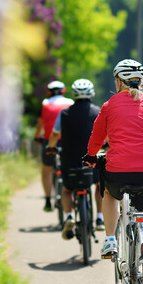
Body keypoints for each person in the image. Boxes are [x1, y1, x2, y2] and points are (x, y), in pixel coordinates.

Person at [82, 59, 143, 284]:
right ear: (141, 82)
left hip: (118, 170)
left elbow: (97, 135)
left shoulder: (109, 105)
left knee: (109, 193)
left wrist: (90, 157)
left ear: (118, 81)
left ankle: (110, 239)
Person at [45, 79, 105, 239]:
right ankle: (100, 218)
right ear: (91, 94)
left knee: (67, 189)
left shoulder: (64, 113)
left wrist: (50, 147)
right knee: (99, 185)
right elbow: (105, 133)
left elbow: (55, 134)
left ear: (74, 95)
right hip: (92, 159)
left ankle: (68, 216)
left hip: (70, 159)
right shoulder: (97, 111)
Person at [34, 80, 74, 212]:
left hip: (50, 140)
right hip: (68, 140)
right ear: (63, 91)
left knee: (47, 168)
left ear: (49, 92)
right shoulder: (70, 102)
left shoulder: (45, 104)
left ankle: (47, 199)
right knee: (69, 166)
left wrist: (37, 136)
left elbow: (40, 122)